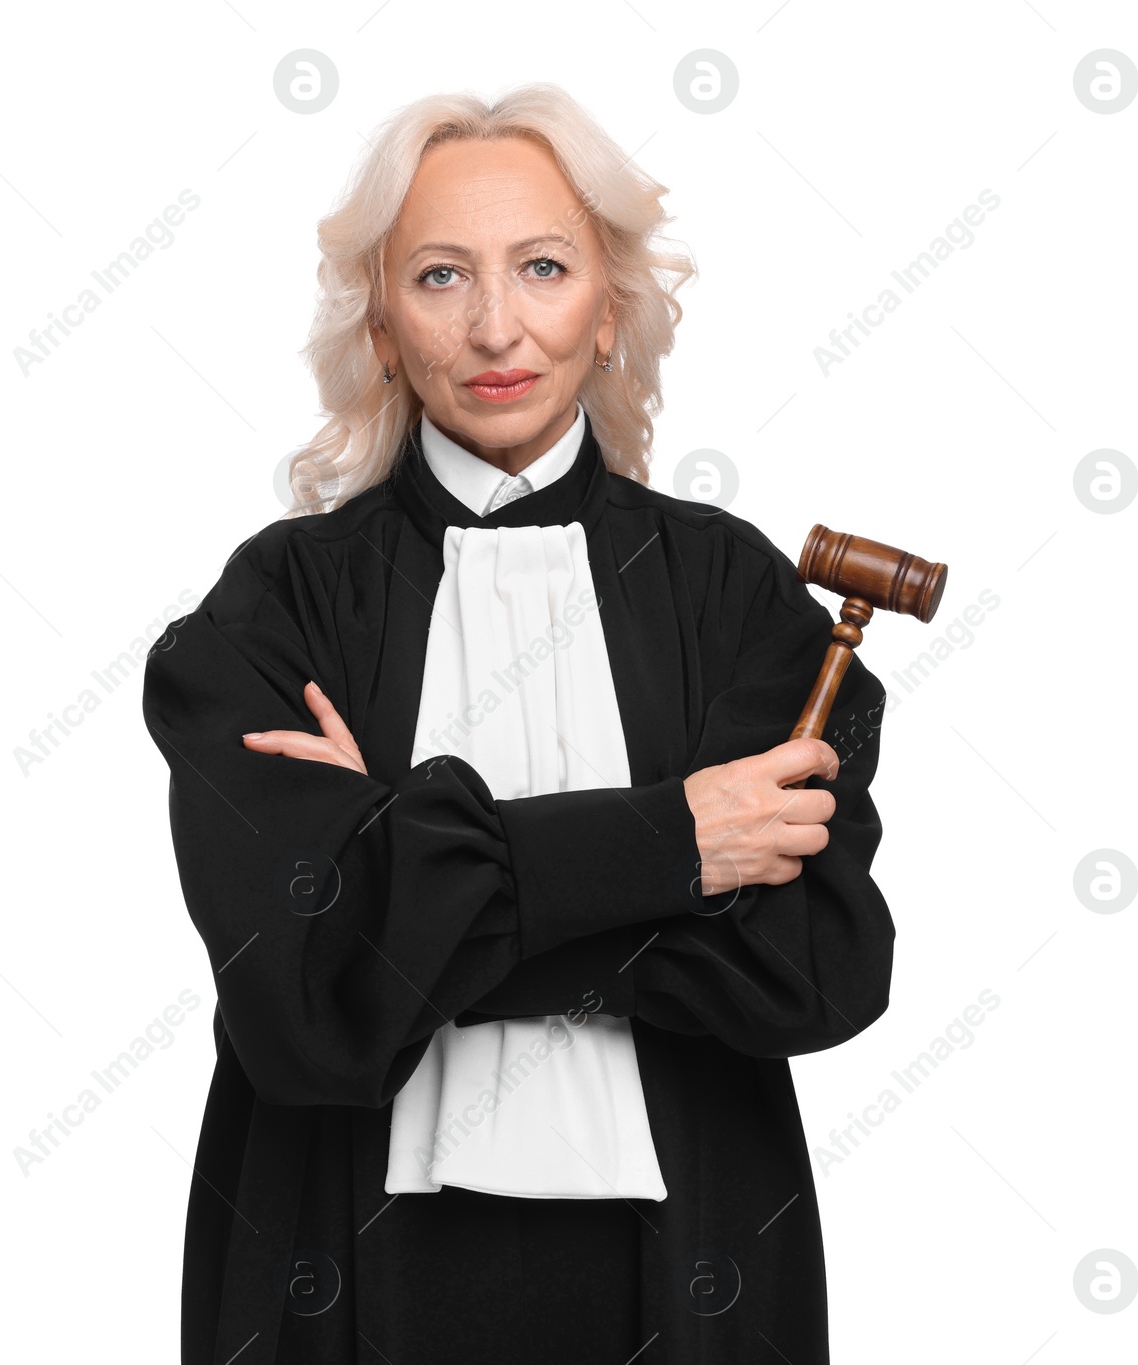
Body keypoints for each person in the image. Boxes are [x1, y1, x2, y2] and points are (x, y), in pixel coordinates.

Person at [142, 81, 894, 1365]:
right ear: (379, 324)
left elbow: (811, 970)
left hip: (689, 1273)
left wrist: (400, 870)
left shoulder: (735, 593)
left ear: (609, 308)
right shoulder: (277, 604)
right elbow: (300, 1007)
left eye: (542, 267)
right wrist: (672, 844)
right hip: (335, 1268)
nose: (496, 323)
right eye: (439, 276)